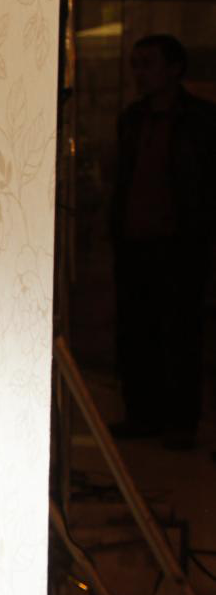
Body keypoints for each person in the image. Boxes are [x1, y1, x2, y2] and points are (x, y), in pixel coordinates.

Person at [109, 34, 216, 450]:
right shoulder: (132, 119)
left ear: (174, 69)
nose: (139, 73)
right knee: (137, 332)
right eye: (135, 64)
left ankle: (180, 422)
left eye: (148, 63)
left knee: (180, 333)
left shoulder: (200, 121)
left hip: (180, 243)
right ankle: (143, 415)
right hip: (136, 241)